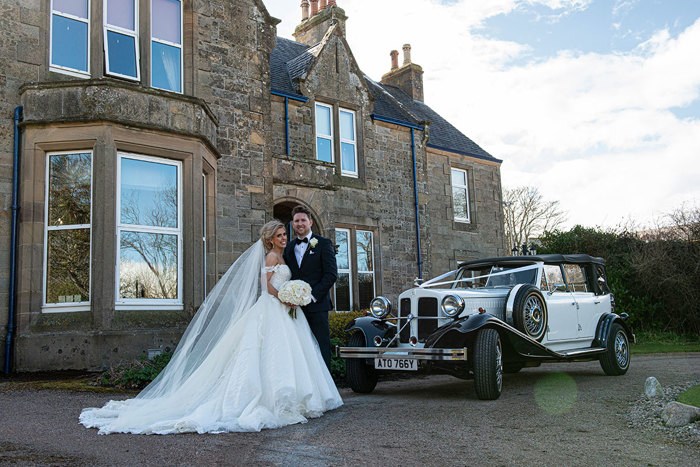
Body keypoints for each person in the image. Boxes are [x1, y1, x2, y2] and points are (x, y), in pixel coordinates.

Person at [79, 220, 342, 434]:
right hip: (274, 307)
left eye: (285, 233)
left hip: (285, 311)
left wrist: (291, 298)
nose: (285, 237)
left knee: (289, 354)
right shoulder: (272, 257)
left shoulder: (283, 255)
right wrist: (285, 298)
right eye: (280, 234)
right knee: (267, 353)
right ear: (270, 238)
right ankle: (270, 400)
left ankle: (297, 397)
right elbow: (267, 288)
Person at [283, 206, 338, 370]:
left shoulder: (323, 244)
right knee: (300, 348)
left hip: (318, 305)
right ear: (292, 224)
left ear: (310, 222)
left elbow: (331, 274)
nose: (300, 224)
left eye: (303, 220)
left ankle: (327, 391)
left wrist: (311, 297)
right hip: (295, 308)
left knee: (321, 346)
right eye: (296, 221)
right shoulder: (289, 248)